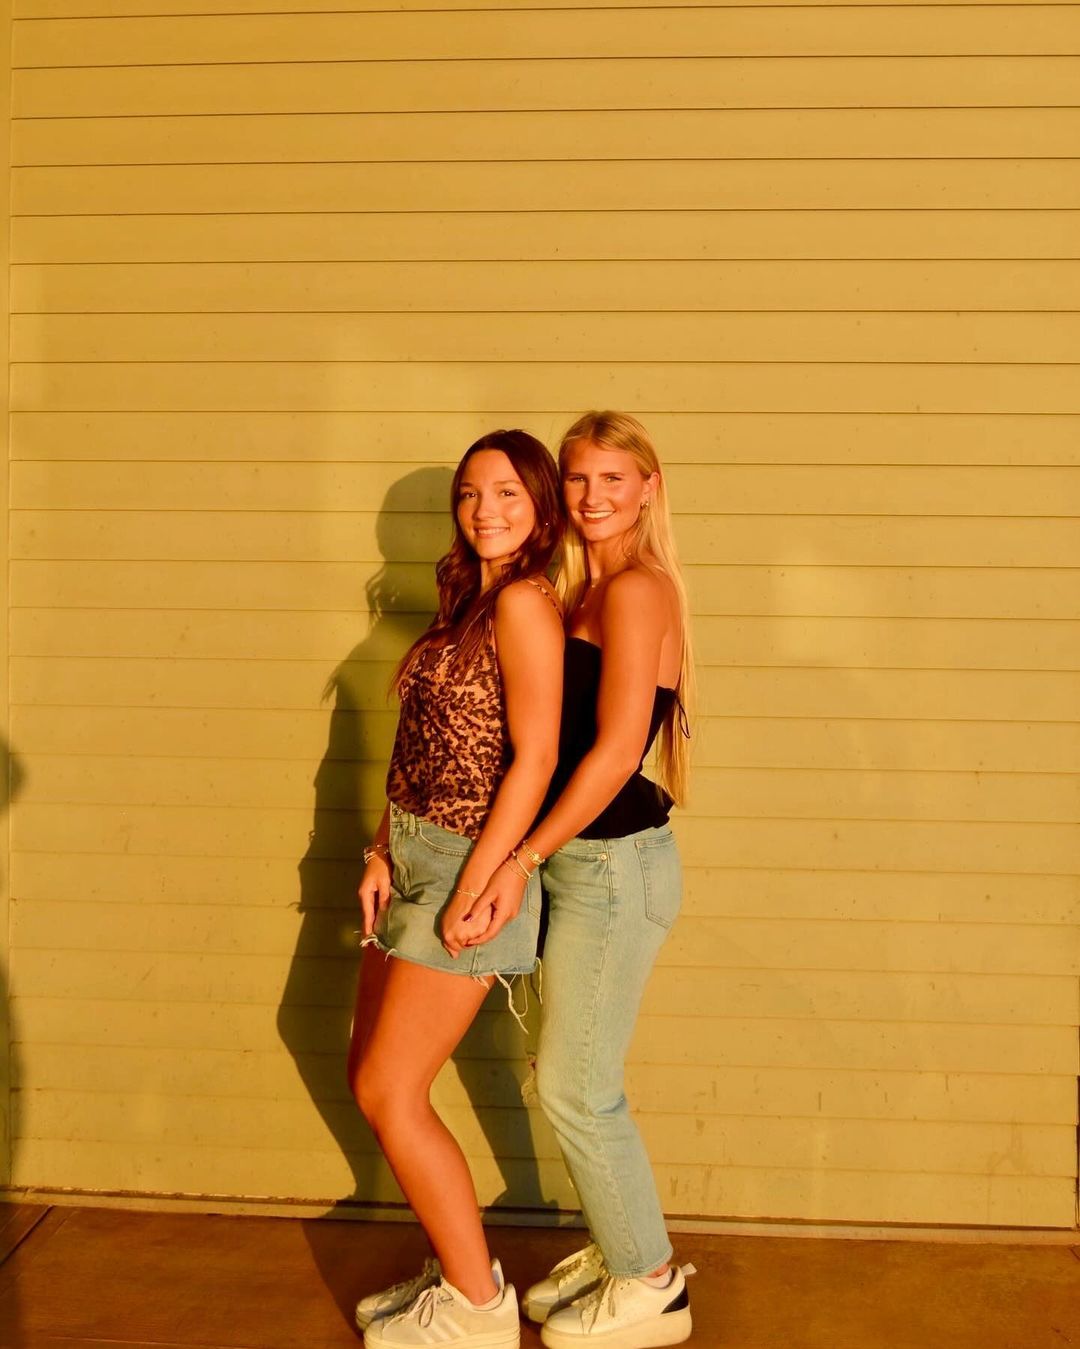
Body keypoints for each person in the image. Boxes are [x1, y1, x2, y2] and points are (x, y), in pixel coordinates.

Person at [464, 411, 696, 1348]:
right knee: (571, 1074)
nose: (593, 496)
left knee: (577, 1086)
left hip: (613, 864)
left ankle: (651, 1282)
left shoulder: (636, 590)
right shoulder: (579, 588)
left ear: (647, 488)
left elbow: (613, 753)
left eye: (613, 478)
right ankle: (620, 1247)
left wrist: (519, 860)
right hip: (583, 860)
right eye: (578, 478)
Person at [348, 430, 564, 1349]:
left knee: (391, 1090)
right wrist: (379, 850)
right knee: (370, 1078)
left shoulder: (523, 601)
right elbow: (421, 744)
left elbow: (535, 758)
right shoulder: (465, 597)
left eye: (508, 492)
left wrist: (479, 883)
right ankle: (458, 1275)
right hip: (412, 853)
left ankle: (478, 1306)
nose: (486, 509)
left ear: (541, 505)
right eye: (472, 492)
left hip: (467, 864)